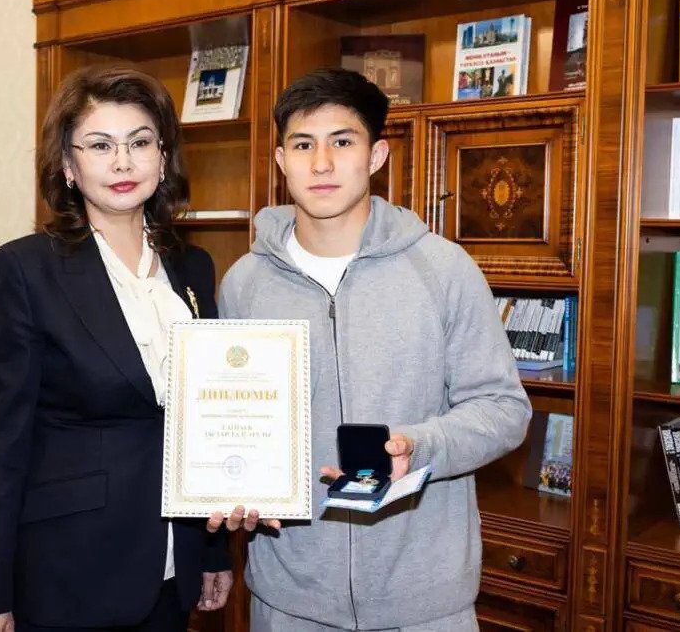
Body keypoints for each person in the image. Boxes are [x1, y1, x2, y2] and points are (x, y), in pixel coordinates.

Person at [210, 68, 531, 631]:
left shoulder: (443, 269)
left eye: (342, 142)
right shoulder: (245, 283)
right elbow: (231, 420)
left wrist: (419, 448)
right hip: (290, 599)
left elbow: (504, 411)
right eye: (303, 145)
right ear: (281, 161)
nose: (322, 164)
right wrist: (231, 484)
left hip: (423, 601)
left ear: (377, 155)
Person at [0, 65, 233, 632]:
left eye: (140, 142)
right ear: (68, 164)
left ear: (163, 156)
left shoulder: (193, 267)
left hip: (174, 559)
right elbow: (2, 446)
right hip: (71, 565)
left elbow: (206, 422)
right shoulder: (26, 270)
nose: (123, 162)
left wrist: (213, 552)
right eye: (100, 145)